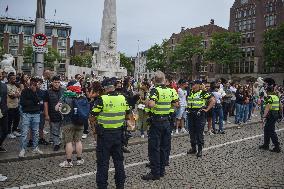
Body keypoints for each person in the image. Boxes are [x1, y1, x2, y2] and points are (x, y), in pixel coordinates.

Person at [89, 78, 130, 189]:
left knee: (103, 163)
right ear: (114, 87)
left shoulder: (102, 99)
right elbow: (128, 115)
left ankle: (102, 186)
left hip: (104, 135)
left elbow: (92, 117)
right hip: (118, 135)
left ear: (105, 88)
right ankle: (120, 186)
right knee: (119, 162)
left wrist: (94, 128)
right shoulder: (123, 98)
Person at [141, 71, 179, 181]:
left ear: (155, 80)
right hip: (167, 121)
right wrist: (167, 103)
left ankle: (155, 173)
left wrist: (147, 102)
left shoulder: (155, 90)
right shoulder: (171, 90)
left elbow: (152, 104)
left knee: (154, 148)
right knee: (164, 147)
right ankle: (162, 171)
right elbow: (176, 104)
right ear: (164, 80)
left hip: (157, 121)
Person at [57, 81, 88, 167]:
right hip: (80, 121)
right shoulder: (82, 95)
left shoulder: (65, 96)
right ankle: (79, 160)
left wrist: (60, 108)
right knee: (78, 141)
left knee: (68, 142)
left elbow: (57, 108)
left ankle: (69, 161)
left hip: (68, 122)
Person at [187, 80, 215, 158]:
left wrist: (207, 109)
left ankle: (200, 150)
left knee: (199, 133)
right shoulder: (190, 92)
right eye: (191, 84)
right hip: (190, 114)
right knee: (191, 132)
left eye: (193, 84)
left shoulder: (203, 93)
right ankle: (193, 148)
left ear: (198, 85)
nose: (192, 85)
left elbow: (213, 100)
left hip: (199, 115)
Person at [19, 77, 43, 157]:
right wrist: (33, 102)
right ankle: (23, 149)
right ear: (30, 83)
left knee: (36, 132)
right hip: (26, 114)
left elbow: (38, 101)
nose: (33, 85)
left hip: (36, 114)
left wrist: (34, 93)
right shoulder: (24, 91)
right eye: (32, 83)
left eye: (35, 84)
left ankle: (35, 148)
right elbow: (23, 103)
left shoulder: (39, 91)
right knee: (24, 132)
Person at [44, 76, 65, 151]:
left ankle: (65, 143)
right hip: (53, 113)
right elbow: (45, 103)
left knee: (64, 129)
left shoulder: (64, 90)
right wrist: (46, 115)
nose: (57, 84)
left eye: (58, 82)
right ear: (52, 83)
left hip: (64, 114)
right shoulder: (47, 92)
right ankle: (56, 143)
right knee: (55, 129)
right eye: (55, 82)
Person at [259, 84, 282, 153]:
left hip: (271, 115)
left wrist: (263, 116)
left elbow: (267, 107)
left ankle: (277, 147)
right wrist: (280, 114)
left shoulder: (269, 97)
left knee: (271, 131)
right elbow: (281, 106)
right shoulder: (276, 97)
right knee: (266, 129)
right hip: (275, 115)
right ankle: (266, 144)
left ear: (267, 91)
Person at [6, 72, 21, 139]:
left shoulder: (15, 86)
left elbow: (18, 94)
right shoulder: (7, 86)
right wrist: (17, 94)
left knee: (17, 118)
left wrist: (17, 94)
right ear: (9, 79)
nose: (15, 80)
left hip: (16, 105)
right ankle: (8, 133)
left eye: (15, 79)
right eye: (13, 79)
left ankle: (14, 130)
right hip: (10, 106)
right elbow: (13, 96)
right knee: (10, 120)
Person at [0, 70, 8, 152]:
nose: (1, 74)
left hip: (4, 111)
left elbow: (5, 99)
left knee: (5, 130)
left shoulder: (4, 86)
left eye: (1, 74)